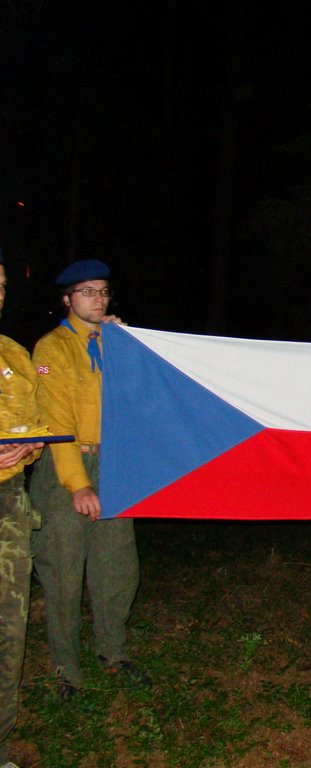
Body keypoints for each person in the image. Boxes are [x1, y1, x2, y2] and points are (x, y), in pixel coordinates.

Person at [29, 259, 149, 701]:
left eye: (102, 291)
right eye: (87, 292)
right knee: (63, 570)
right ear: (67, 299)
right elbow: (57, 422)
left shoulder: (114, 342)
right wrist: (78, 484)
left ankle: (113, 651)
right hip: (65, 467)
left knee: (117, 566)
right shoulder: (52, 349)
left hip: (114, 465)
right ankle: (67, 669)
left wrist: (128, 344)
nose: (97, 299)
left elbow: (139, 395)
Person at [0, 250, 46, 768]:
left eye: (2, 286)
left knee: (9, 627)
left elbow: (31, 426)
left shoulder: (14, 354)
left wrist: (28, 447)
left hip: (9, 499)